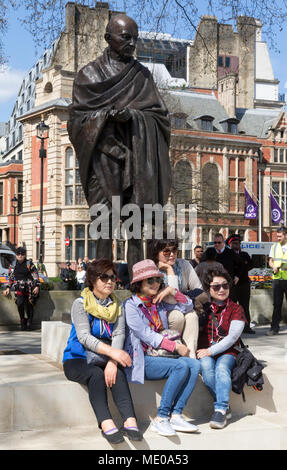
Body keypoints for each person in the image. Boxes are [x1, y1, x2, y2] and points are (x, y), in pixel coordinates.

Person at [67, 14, 171, 268]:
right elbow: (76, 121)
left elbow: (160, 117)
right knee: (104, 221)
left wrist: (133, 117)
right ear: (108, 38)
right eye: (126, 38)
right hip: (103, 158)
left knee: (135, 223)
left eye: (135, 38)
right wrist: (105, 117)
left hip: (136, 158)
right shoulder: (88, 75)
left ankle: (140, 280)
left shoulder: (142, 76)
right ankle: (102, 278)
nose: (132, 44)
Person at [63, 258, 142, 444]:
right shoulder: (81, 304)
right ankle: (106, 422)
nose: (109, 281)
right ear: (92, 280)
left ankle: (130, 419)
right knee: (96, 375)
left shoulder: (117, 305)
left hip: (105, 357)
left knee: (118, 373)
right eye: (104, 277)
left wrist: (113, 362)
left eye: (112, 277)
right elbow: (84, 337)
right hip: (77, 359)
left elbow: (119, 334)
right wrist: (114, 354)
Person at [124, 259, 200, 437]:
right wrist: (175, 346)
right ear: (138, 284)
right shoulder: (131, 305)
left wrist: (172, 291)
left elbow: (188, 305)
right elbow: (145, 334)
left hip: (160, 356)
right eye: (150, 280)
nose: (156, 284)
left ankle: (176, 414)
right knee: (181, 365)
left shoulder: (159, 303)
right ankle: (161, 417)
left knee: (195, 365)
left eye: (158, 280)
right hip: (141, 358)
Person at [197, 267, 246, 429]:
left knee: (222, 368)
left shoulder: (236, 308)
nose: (221, 290)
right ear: (208, 288)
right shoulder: (202, 308)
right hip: (204, 349)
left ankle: (219, 410)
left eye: (225, 285)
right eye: (216, 286)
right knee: (206, 368)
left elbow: (232, 338)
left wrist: (210, 351)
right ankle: (225, 406)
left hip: (228, 351)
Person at [150, 238, 207, 358]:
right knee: (177, 316)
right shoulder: (152, 269)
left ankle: (191, 357)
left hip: (184, 305)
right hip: (161, 311)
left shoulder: (183, 265)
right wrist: (169, 270)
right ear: (156, 253)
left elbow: (198, 289)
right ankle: (172, 352)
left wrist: (174, 291)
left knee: (192, 316)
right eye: (166, 251)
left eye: (174, 250)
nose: (171, 254)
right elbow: (171, 299)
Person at [4, 247, 40, 330]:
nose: (20, 255)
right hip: (19, 288)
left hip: (30, 288)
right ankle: (22, 320)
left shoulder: (29, 264)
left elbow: (35, 275)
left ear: (25, 255)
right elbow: (10, 278)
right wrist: (8, 288)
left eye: (22, 254)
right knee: (20, 303)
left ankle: (29, 323)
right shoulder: (13, 265)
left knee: (30, 305)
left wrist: (37, 286)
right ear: (16, 255)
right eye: (18, 254)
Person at [226, 234, 254, 334]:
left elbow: (250, 265)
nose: (236, 244)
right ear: (230, 244)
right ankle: (230, 328)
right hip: (233, 285)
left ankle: (246, 327)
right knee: (232, 306)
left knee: (245, 306)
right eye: (234, 243)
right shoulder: (227, 255)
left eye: (238, 243)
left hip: (244, 284)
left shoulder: (244, 255)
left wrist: (241, 270)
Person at [267, 226, 287, 335]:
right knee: (277, 304)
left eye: (280, 236)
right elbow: (270, 261)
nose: (278, 238)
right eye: (277, 236)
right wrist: (273, 266)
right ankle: (274, 328)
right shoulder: (274, 246)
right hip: (277, 279)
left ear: (286, 235)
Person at [212, 233, 243, 300]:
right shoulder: (210, 253)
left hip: (228, 285)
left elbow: (241, 264)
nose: (217, 244)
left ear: (223, 242)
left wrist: (237, 276)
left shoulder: (230, 253)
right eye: (215, 242)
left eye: (219, 242)